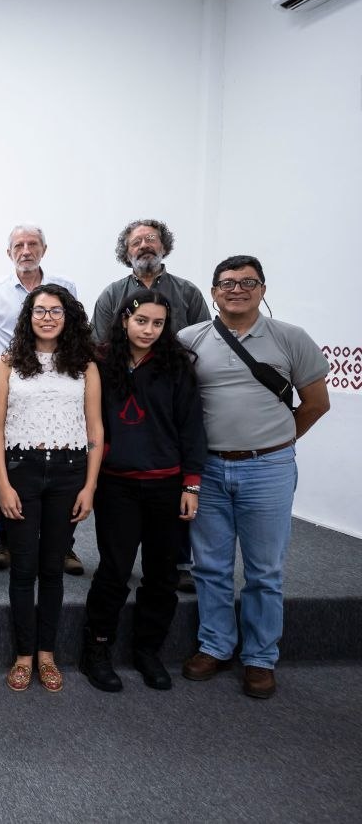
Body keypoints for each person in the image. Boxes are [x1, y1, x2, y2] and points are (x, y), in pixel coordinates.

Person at [178, 256, 330, 699]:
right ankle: (215, 644)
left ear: (263, 289)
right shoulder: (190, 339)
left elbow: (316, 402)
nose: (237, 290)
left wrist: (275, 441)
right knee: (210, 566)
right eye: (227, 283)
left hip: (269, 469)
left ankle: (261, 657)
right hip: (208, 469)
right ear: (213, 292)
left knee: (265, 570)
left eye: (248, 282)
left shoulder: (290, 338)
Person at [80, 290, 206, 693]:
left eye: (157, 323)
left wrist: (191, 483)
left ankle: (148, 650)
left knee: (162, 574)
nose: (149, 330)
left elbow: (192, 427)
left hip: (166, 484)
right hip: (116, 485)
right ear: (124, 320)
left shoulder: (177, 365)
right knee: (114, 570)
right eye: (141, 321)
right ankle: (97, 649)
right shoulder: (100, 363)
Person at [0, 284, 102, 693]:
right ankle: (23, 655)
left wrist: (90, 487)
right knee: (23, 568)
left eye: (56, 311)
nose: (48, 318)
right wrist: (2, 485)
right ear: (28, 316)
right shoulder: (7, 364)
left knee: (52, 568)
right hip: (22, 471)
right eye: (40, 310)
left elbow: (95, 429)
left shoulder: (85, 366)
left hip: (70, 474)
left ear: (68, 317)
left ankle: (47, 654)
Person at [0, 224, 81, 575]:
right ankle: (5, 540)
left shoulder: (65, 286)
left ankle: (64, 546)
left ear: (44, 249)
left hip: (57, 377)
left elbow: (74, 328)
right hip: (11, 380)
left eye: (32, 244)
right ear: (9, 252)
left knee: (61, 459)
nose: (26, 250)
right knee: (8, 453)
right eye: (19, 245)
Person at [91, 219, 207, 345]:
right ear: (127, 255)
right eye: (136, 242)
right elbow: (97, 345)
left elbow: (203, 340)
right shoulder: (111, 295)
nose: (144, 245)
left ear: (164, 247)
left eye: (151, 239)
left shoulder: (188, 292)